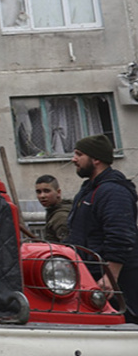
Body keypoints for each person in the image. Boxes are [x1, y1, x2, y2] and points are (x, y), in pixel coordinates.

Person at [66, 134, 138, 323]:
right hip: (92, 278)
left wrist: (110, 277)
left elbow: (121, 235)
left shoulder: (114, 192)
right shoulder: (88, 191)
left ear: (96, 159)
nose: (74, 159)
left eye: (79, 154)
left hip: (115, 283)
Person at [34, 174, 72, 242]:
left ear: (58, 192)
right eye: (38, 192)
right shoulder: (53, 211)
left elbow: (68, 247)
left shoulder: (60, 217)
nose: (42, 196)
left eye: (47, 191)